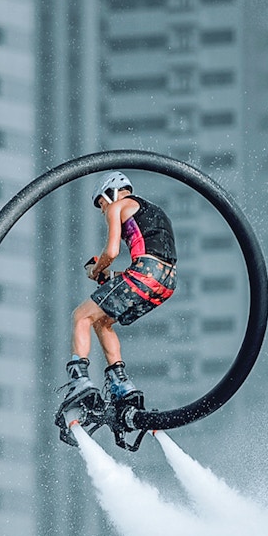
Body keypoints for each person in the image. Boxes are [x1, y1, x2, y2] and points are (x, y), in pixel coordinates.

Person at [57, 171, 178, 425]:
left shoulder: (118, 207)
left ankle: (78, 379)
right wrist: (110, 276)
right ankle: (121, 384)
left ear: (110, 192)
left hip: (145, 272)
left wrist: (98, 269)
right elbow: (152, 260)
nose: (103, 212)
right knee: (103, 321)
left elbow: (111, 251)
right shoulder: (155, 211)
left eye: (101, 204)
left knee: (80, 316)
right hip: (166, 281)